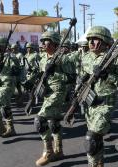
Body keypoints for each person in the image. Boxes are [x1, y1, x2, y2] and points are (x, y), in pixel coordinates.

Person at [72, 26, 118, 167]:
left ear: (104, 41)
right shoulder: (86, 57)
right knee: (95, 141)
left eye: (95, 39)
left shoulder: (114, 58)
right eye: (89, 39)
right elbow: (82, 78)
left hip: (105, 104)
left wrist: (107, 76)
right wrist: (76, 95)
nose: (91, 42)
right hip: (89, 103)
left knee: (91, 138)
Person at [34, 31, 76, 166]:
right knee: (54, 121)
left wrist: (55, 73)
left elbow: (72, 78)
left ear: (54, 43)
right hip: (48, 93)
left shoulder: (63, 58)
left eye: (45, 41)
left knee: (40, 120)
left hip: (59, 92)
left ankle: (48, 151)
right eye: (42, 41)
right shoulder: (42, 58)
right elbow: (42, 75)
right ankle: (59, 151)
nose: (42, 44)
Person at [0, 37, 20, 138]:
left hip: (8, 85)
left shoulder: (11, 57)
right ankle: (11, 129)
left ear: (4, 46)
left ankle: (1, 128)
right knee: (5, 107)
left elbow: (17, 70)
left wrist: (13, 64)